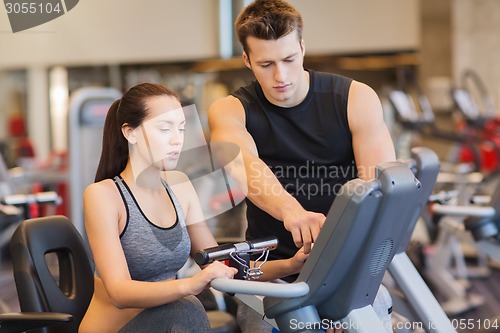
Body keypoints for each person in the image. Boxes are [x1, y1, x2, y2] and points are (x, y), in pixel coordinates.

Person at [208, 0, 396, 331]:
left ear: (302, 48)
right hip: (271, 279)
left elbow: (380, 191)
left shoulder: (355, 98)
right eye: (266, 64)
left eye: (289, 59)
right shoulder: (230, 110)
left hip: (347, 273)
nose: (280, 76)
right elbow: (242, 164)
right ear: (247, 60)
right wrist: (292, 211)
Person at [79, 83, 308, 333]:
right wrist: (191, 285)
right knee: (187, 307)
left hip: (171, 323)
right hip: (117, 328)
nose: (178, 140)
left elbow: (219, 264)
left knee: (189, 308)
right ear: (130, 133)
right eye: (165, 129)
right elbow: (119, 292)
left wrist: (290, 265)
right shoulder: (103, 196)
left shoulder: (179, 186)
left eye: (181, 129)